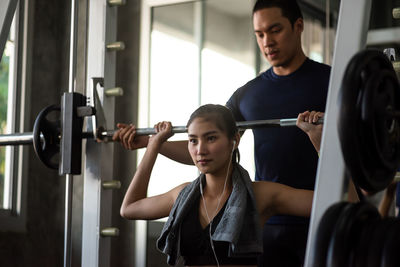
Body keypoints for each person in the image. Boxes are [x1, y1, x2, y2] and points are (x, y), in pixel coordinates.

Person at [115, 1, 331, 266]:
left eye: (275, 30)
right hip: (266, 222)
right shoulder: (248, 95)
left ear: (298, 26)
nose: (267, 42)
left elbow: (358, 149)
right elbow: (210, 146)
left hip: (322, 214)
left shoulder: (331, 82)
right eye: (260, 34)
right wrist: (150, 144)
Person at [118, 104, 317, 267]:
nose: (200, 150)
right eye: (193, 140)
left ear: (234, 141)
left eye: (211, 138)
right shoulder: (183, 195)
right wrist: (154, 145)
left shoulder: (261, 194)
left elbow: (339, 202)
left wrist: (318, 141)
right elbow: (129, 208)